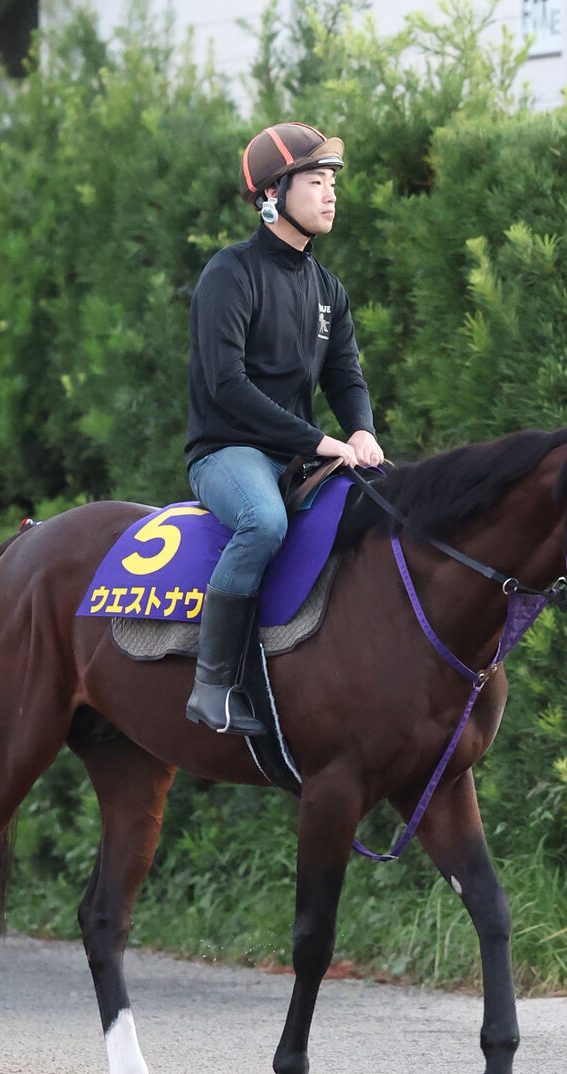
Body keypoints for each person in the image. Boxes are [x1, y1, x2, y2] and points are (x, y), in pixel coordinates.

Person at [184, 121, 384, 735]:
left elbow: (346, 379)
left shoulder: (329, 290)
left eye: (332, 183)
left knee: (382, 508)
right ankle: (213, 684)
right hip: (228, 453)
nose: (330, 194)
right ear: (273, 192)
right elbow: (227, 387)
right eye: (316, 181)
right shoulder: (230, 273)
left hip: (298, 454)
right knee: (264, 521)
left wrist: (363, 433)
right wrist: (318, 441)